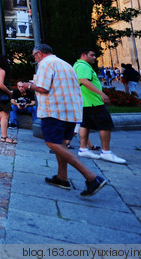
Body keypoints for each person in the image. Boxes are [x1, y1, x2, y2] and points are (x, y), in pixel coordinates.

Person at [17, 44, 107, 197]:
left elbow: (43, 88)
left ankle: (91, 177)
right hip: (71, 110)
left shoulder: (45, 64)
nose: (35, 59)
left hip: (54, 110)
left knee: (52, 143)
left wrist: (27, 85)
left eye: (34, 56)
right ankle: (62, 177)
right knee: (61, 144)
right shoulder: (64, 64)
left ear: (39, 53)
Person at [73, 49, 127, 164]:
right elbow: (84, 81)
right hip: (93, 101)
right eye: (92, 55)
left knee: (85, 124)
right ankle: (106, 152)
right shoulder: (83, 66)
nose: (94, 57)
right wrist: (101, 93)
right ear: (84, 55)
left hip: (85, 102)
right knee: (105, 125)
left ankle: (83, 149)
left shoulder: (78, 65)